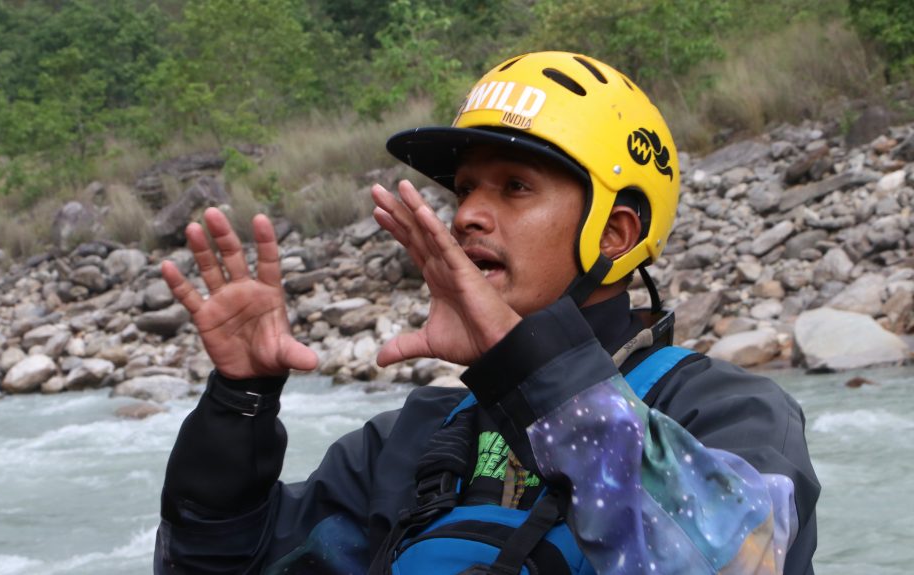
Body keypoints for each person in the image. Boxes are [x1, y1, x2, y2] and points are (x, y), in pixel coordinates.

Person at [154, 52, 819, 574]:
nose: (467, 212)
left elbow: (737, 563)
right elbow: (215, 563)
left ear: (614, 233)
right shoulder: (411, 439)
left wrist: (524, 362)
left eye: (515, 186)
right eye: (467, 186)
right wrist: (238, 406)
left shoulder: (727, 411)